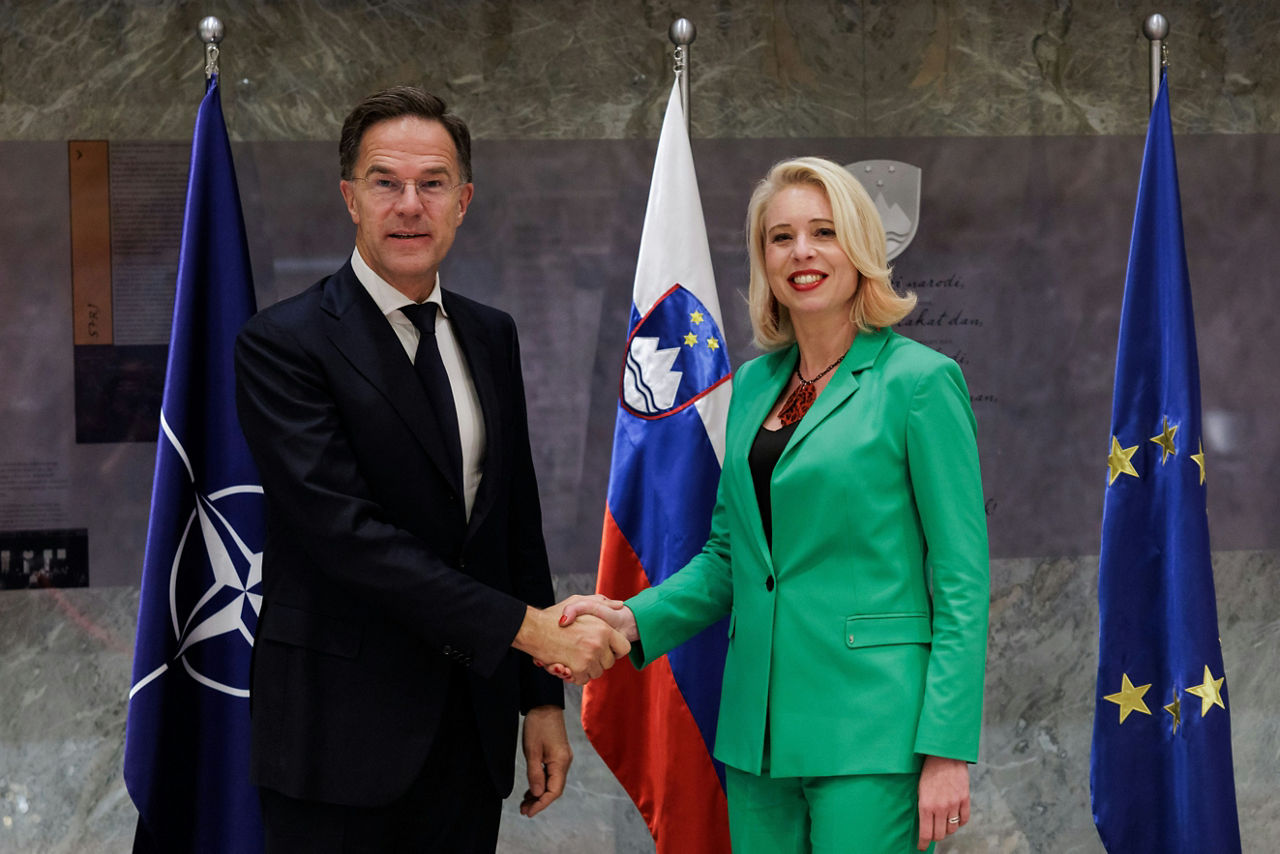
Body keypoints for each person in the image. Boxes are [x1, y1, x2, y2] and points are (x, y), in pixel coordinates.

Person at [233, 86, 630, 853]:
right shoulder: (283, 344)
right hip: (337, 739)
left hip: (467, 733)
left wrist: (540, 700)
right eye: (386, 182)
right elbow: (346, 536)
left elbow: (513, 523)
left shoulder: (491, 335)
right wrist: (529, 631)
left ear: (464, 200)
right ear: (350, 198)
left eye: (433, 183)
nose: (409, 204)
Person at [558, 157, 989, 853]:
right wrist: (630, 619)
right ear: (763, 259)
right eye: (780, 237)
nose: (803, 252)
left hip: (874, 735)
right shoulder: (755, 386)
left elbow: (964, 582)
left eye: (824, 232)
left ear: (860, 248)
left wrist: (946, 750)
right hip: (757, 736)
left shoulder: (921, 383)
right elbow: (732, 557)